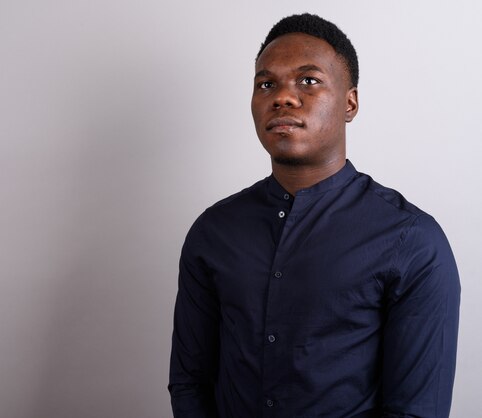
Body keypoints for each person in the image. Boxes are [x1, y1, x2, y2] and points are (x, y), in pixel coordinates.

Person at [168, 13, 460, 418]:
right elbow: (191, 382)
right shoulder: (214, 231)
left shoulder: (412, 240)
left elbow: (416, 409)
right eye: (266, 84)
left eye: (309, 80)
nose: (282, 97)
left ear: (350, 103)